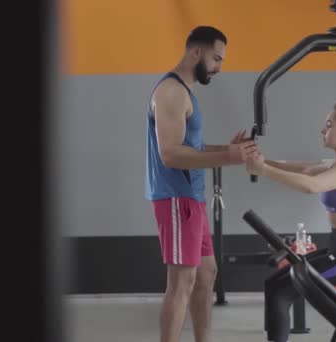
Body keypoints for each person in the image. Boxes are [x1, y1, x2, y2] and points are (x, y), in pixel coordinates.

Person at [144, 26, 257, 342]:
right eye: (216, 59)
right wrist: (229, 158)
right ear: (196, 52)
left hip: (192, 199)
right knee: (181, 284)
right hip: (176, 198)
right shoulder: (171, 91)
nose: (219, 67)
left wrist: (228, 151)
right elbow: (170, 154)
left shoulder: (185, 93)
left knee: (207, 273)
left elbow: (191, 147)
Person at [245, 101, 336, 342]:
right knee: (274, 284)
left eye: (329, 124)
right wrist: (259, 160)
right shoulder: (335, 165)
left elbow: (311, 186)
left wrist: (262, 170)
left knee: (283, 292)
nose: (323, 130)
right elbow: (299, 169)